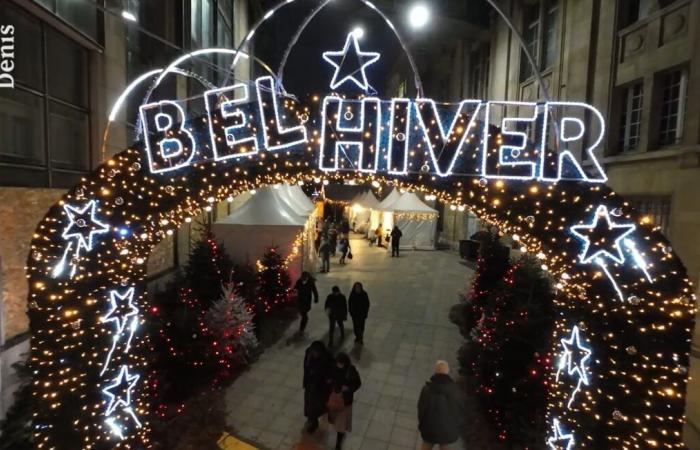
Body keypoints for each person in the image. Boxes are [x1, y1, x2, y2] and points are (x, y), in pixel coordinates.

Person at [417, 361, 464, 450]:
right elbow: (460, 409)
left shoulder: (427, 390)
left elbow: (421, 409)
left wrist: (421, 424)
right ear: (448, 372)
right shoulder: (455, 390)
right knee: (444, 446)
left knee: (426, 446)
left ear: (436, 372)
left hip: (430, 428)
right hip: (447, 430)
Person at [327, 353, 361, 449]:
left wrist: (348, 388)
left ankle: (338, 443)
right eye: (338, 363)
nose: (339, 365)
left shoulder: (351, 371)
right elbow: (332, 379)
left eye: (341, 363)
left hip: (345, 401)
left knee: (341, 425)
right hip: (335, 398)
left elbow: (357, 383)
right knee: (336, 421)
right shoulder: (334, 368)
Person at [303, 341, 332, 433]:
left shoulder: (327, 358)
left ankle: (314, 419)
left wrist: (328, 379)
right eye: (313, 352)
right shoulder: (308, 353)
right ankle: (313, 420)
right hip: (311, 383)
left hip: (320, 386)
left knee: (318, 404)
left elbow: (332, 371)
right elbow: (306, 366)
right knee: (309, 403)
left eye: (316, 353)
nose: (314, 354)